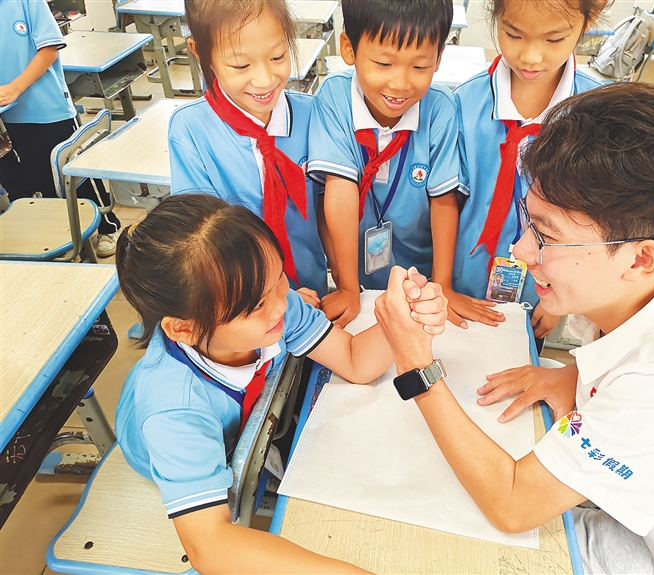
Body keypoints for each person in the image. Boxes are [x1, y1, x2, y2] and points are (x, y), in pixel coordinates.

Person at [374, 83, 654, 574]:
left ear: (640, 258)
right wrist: (573, 376)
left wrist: (416, 365)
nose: (521, 250)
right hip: (648, 515)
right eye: (530, 222)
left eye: (546, 236)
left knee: (439, 538)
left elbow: (513, 505)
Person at [114, 193, 447, 574]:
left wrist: (404, 318)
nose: (280, 305)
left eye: (279, 279)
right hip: (167, 455)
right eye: (257, 305)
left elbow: (354, 360)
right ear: (183, 329)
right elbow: (208, 545)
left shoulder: (271, 305)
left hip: (238, 427)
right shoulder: (173, 408)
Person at [452, 0, 607, 340]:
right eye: (513, 35)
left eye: (553, 39)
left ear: (592, 16)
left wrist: (560, 299)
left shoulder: (600, 113)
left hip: (546, 291)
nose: (531, 57)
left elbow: (597, 222)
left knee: (524, 356)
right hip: (463, 280)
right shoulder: (464, 103)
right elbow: (446, 202)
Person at [307, 0, 461, 328]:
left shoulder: (441, 109)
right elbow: (338, 191)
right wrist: (348, 287)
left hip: (419, 276)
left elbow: (443, 201)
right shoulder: (334, 98)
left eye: (420, 66)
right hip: (354, 272)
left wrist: (442, 285)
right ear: (348, 48)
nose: (401, 84)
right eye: (383, 63)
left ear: (439, 58)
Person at [169, 0, 327, 302]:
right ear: (200, 52)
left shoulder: (312, 115)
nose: (265, 80)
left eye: (278, 57)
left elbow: (330, 208)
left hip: (314, 294)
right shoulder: (191, 130)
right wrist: (280, 297)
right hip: (245, 301)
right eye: (241, 66)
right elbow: (203, 241)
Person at [0, 0, 121, 257]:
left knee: (74, 173)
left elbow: (49, 50)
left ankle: (107, 226)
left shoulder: (25, 2)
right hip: (8, 116)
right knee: (40, 179)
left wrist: (14, 88)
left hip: (46, 107)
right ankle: (61, 234)